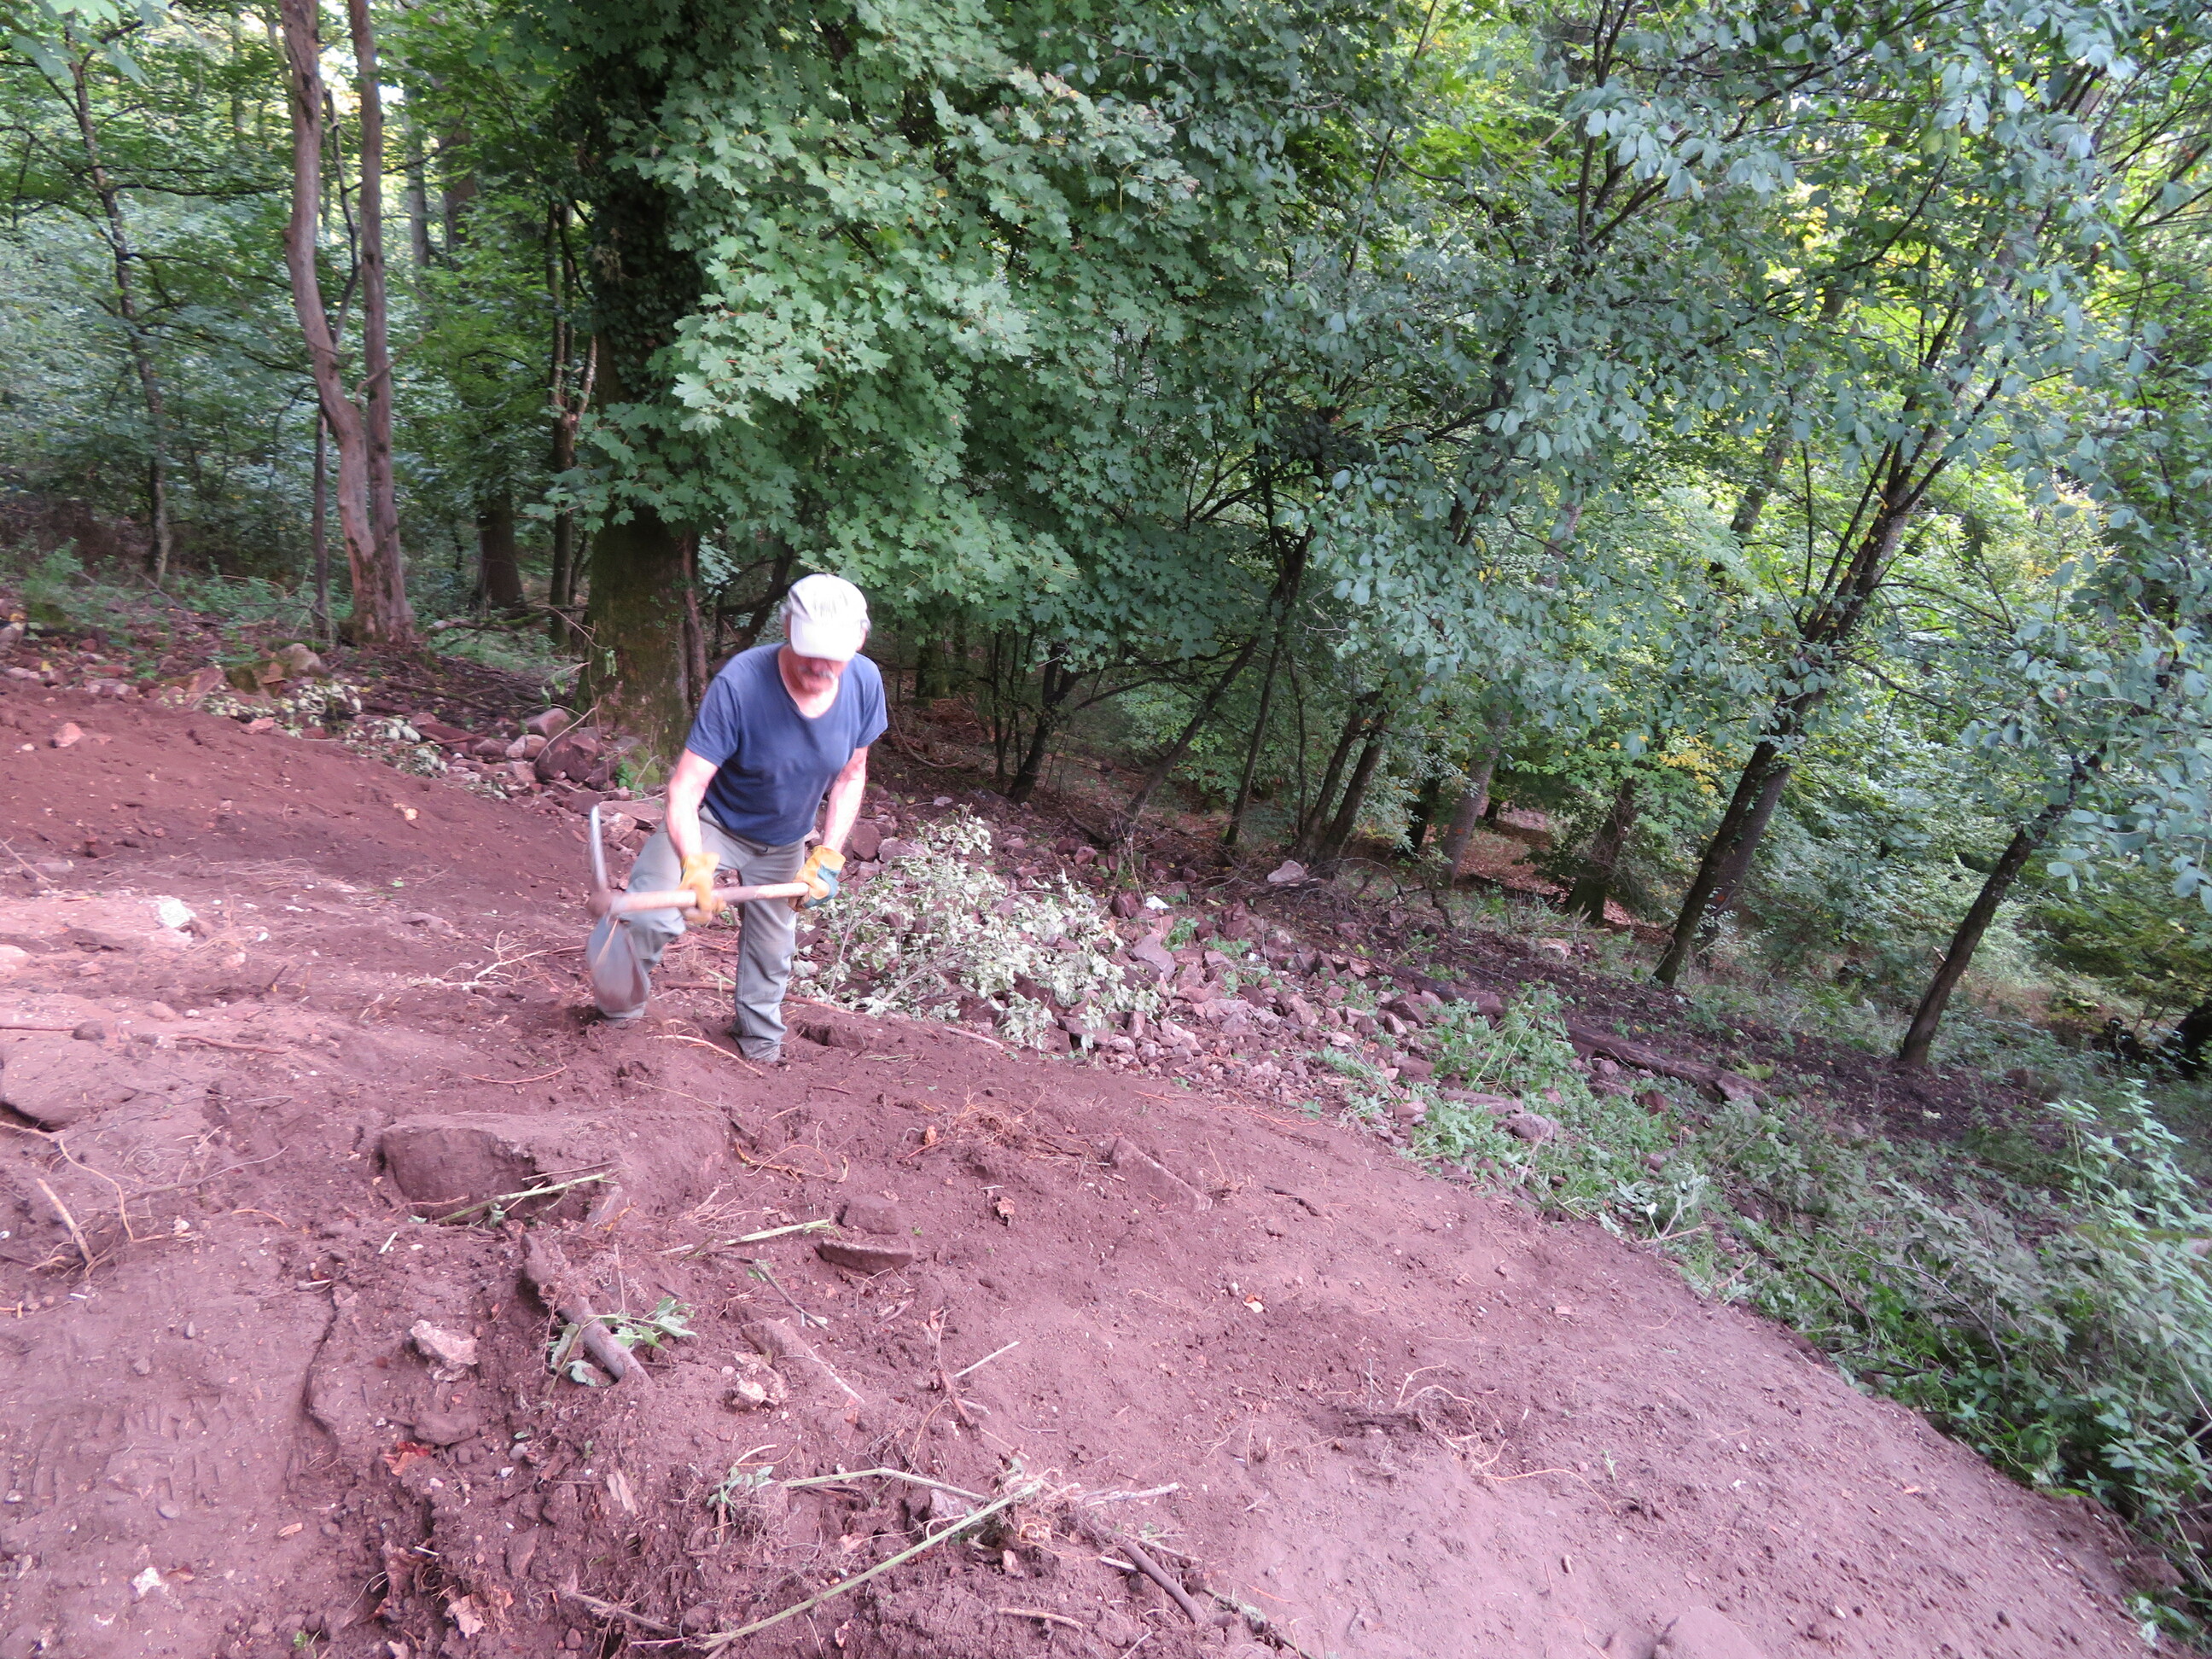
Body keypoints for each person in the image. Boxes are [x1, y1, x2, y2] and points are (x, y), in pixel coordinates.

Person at [586, 573, 885, 1060]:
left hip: (785, 837)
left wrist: (829, 853)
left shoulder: (865, 683)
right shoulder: (741, 683)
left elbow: (853, 774)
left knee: (772, 953)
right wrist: (694, 863)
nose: (818, 665)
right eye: (809, 649)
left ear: (859, 641)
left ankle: (760, 1048)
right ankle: (613, 1023)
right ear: (786, 629)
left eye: (832, 655)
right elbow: (686, 786)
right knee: (650, 915)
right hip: (714, 821)